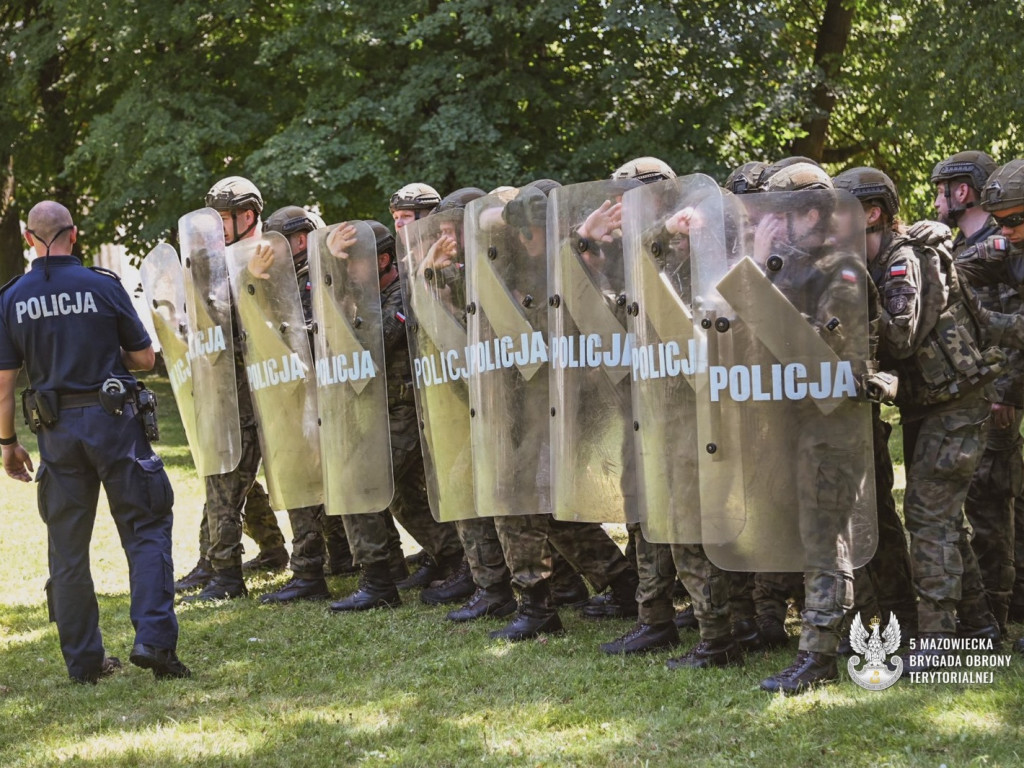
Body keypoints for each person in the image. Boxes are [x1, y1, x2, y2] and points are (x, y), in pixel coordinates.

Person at [0, 201, 189, 682]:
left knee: (66, 548)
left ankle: (84, 664)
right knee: (145, 528)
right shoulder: (103, 286)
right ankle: (154, 643)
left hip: (55, 433)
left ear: (28, 238)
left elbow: (4, 383)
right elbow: (145, 359)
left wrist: (7, 444)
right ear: (74, 235)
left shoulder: (11, 298)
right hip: (114, 424)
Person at [328, 220, 469, 612]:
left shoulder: (404, 294)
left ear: (383, 260)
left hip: (407, 410)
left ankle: (378, 583)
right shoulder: (366, 295)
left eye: (353, 263)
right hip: (380, 410)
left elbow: (376, 341)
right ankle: (457, 558)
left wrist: (343, 285)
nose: (349, 271)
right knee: (404, 498)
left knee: (359, 480)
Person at [183, 176, 288, 602]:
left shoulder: (272, 255)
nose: (217, 228)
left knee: (229, 478)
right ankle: (266, 550)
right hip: (228, 388)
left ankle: (225, 575)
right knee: (229, 475)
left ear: (248, 216)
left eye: (223, 219)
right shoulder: (218, 261)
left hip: (269, 389)